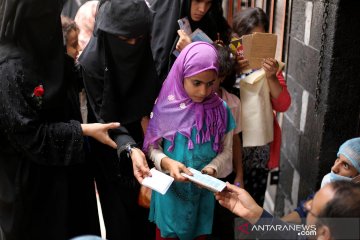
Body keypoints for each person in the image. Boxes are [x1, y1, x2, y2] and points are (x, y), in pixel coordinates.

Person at [0, 1, 122, 239]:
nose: (50, 24)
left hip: (70, 181)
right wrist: (83, 131)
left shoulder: (51, 52)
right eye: (44, 16)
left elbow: (74, 82)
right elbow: (31, 137)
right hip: (32, 193)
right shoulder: (9, 69)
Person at [78, 0, 160, 239]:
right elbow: (104, 117)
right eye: (125, 41)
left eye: (138, 39)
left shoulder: (142, 50)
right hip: (109, 144)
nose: (133, 46)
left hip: (148, 139)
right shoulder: (92, 63)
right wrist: (130, 147)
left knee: (149, 217)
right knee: (120, 220)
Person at [143, 42, 236, 240]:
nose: (203, 91)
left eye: (210, 83)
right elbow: (152, 147)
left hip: (203, 198)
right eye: (196, 83)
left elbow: (227, 151)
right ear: (181, 75)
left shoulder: (222, 110)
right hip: (169, 196)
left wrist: (211, 169)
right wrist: (168, 163)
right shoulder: (166, 107)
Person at [232, 7, 291, 205]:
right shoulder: (228, 62)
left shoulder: (271, 67)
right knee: (227, 206)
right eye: (247, 37)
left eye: (259, 38)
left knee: (253, 206)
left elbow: (283, 105)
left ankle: (248, 235)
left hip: (258, 151)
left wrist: (271, 76)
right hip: (228, 147)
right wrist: (230, 69)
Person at [215, 181, 360, 240]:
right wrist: (254, 214)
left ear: (324, 234)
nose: (306, 205)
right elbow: (295, 235)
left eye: (311, 208)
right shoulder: (315, 234)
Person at [282, 137, 360, 224]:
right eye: (338, 159)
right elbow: (303, 211)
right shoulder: (330, 187)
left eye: (345, 165)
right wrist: (276, 226)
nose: (334, 168)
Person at [149, 0, 232, 82]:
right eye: (197, 1)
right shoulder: (166, 13)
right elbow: (158, 63)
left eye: (208, 3)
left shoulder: (210, 21)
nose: (202, 9)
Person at [211, 43, 243, 240]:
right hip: (199, 176)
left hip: (224, 177)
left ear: (222, 76)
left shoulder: (233, 104)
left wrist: (239, 173)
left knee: (222, 228)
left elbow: (236, 139)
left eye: (212, 78)